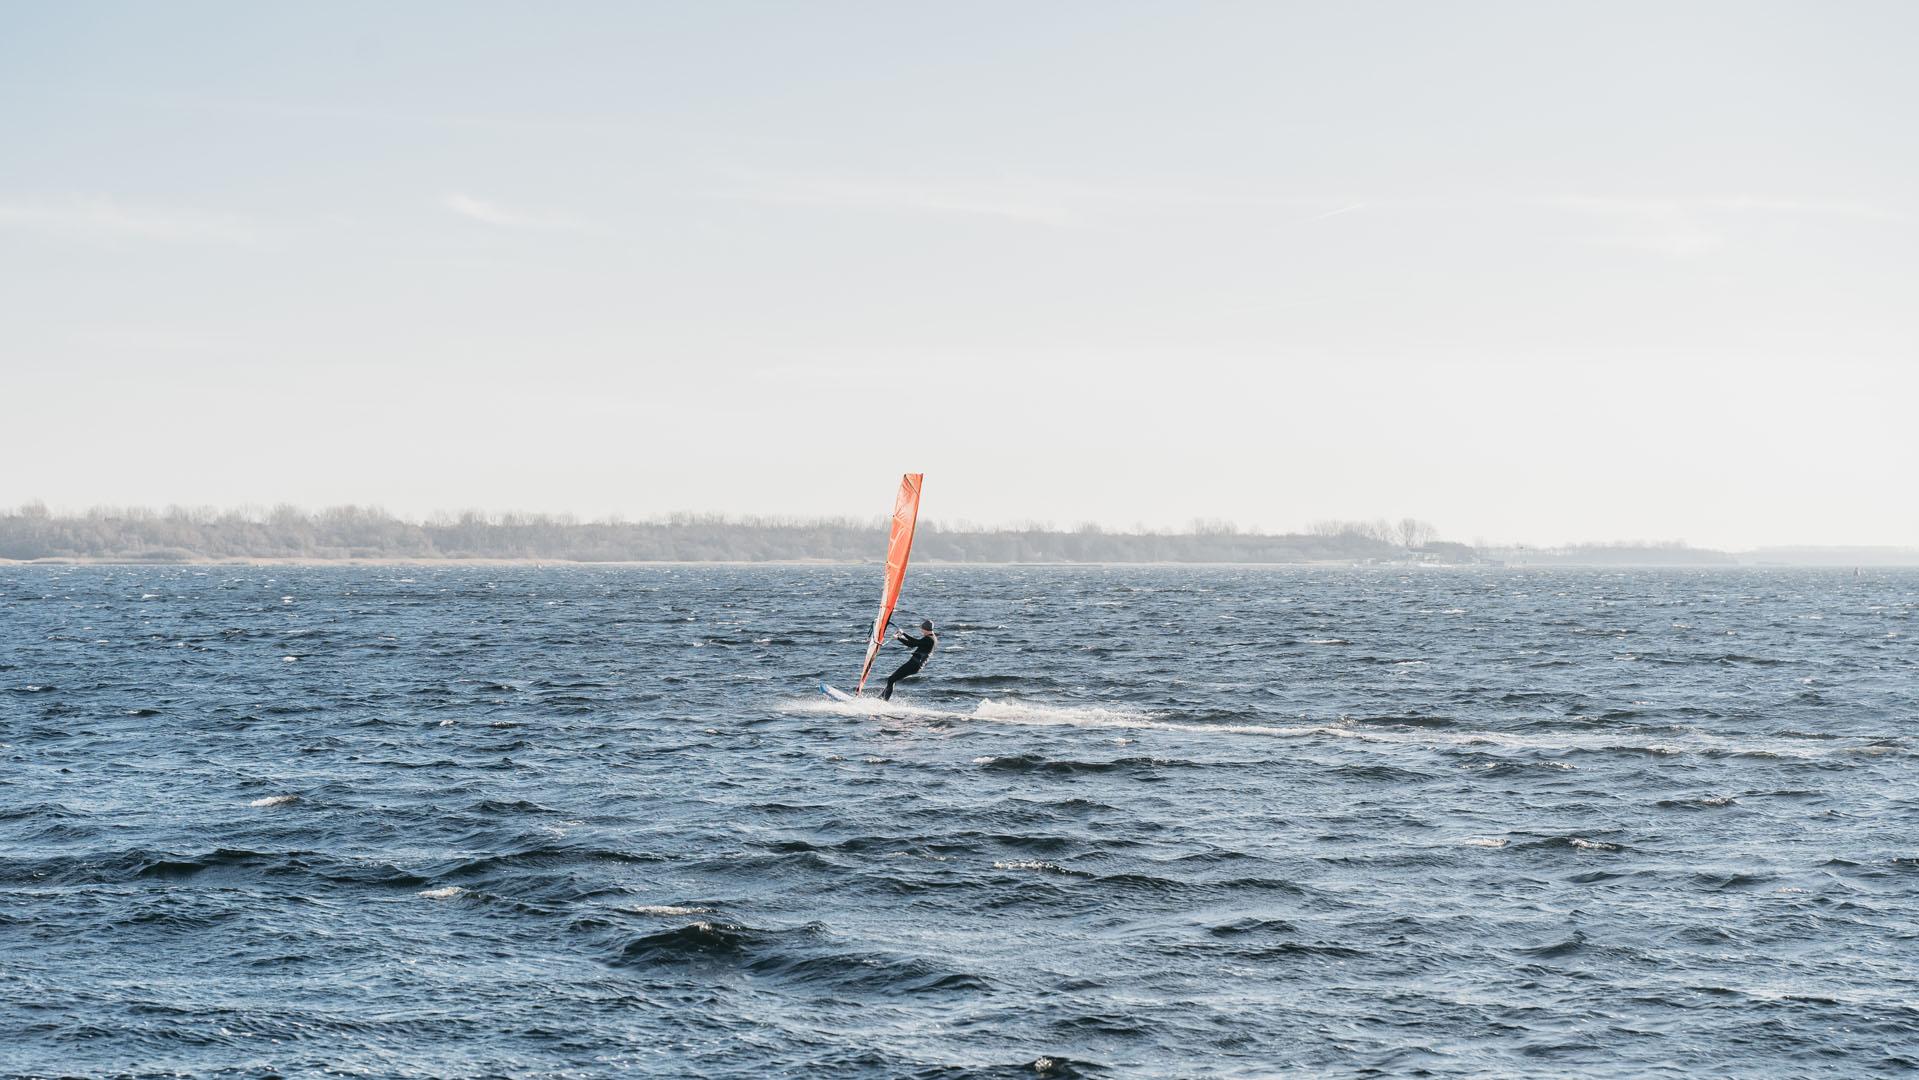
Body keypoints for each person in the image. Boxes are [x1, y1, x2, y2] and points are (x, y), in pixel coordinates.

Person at [882, 619, 937, 701]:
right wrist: (903, 634)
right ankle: (881, 698)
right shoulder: (932, 638)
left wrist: (898, 638)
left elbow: (912, 644)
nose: (921, 630)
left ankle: (884, 701)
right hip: (915, 665)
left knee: (891, 679)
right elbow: (915, 642)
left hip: (914, 664)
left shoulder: (929, 640)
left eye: (921, 629)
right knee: (892, 679)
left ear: (925, 629)